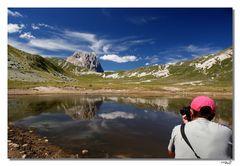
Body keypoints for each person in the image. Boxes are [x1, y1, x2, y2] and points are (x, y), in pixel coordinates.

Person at [168, 96, 232, 159]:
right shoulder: (227, 132)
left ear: (191, 112)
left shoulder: (178, 129)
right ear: (213, 115)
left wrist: (185, 127)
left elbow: (171, 153)